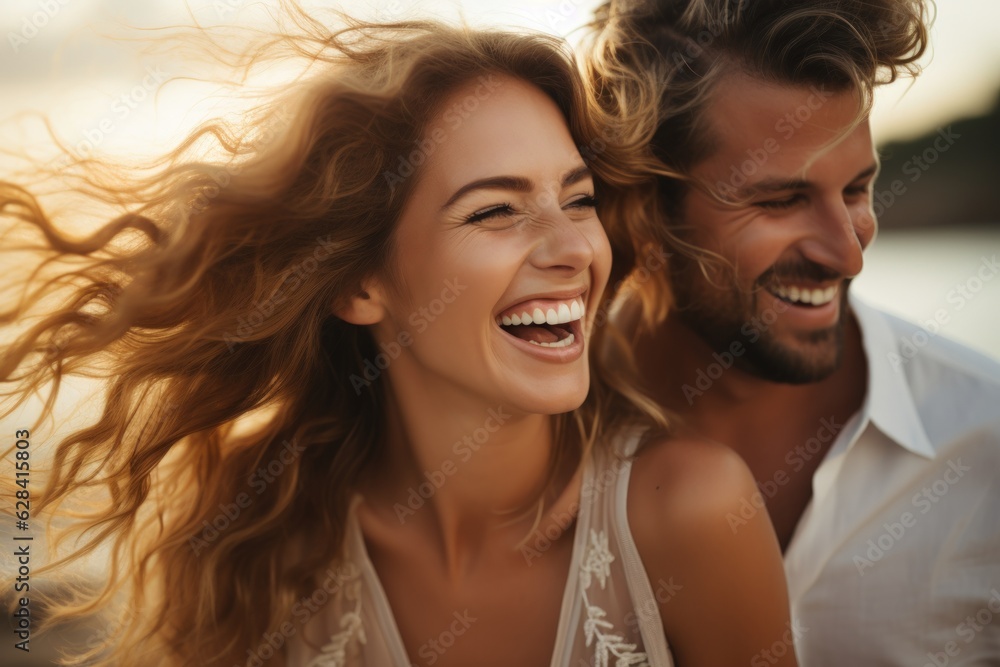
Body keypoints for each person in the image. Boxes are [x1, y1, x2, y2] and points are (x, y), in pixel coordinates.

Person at [0, 8, 797, 667]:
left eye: (579, 199)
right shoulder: (263, 544)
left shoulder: (687, 514)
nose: (571, 251)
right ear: (359, 284)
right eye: (495, 210)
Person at [587, 0, 1000, 664]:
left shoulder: (988, 441)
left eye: (858, 191)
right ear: (639, 210)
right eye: (780, 201)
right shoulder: (526, 444)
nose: (849, 254)